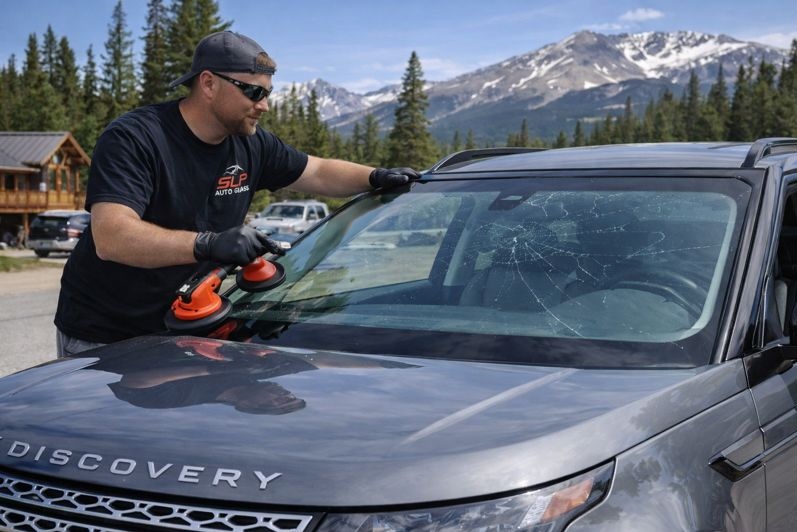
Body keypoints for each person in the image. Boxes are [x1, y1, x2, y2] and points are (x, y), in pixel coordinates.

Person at [54, 31, 420, 357]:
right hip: (105, 336)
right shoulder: (136, 138)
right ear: (209, 84)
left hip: (189, 328)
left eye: (268, 94)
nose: (264, 105)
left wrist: (375, 177)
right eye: (253, 92)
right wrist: (208, 243)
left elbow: (319, 172)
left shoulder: (253, 144)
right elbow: (112, 237)